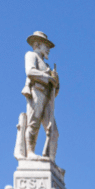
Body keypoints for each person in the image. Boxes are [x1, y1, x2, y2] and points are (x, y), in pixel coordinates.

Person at [16, 31, 59, 160]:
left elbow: (55, 91)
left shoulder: (47, 66)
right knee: (33, 122)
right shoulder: (31, 55)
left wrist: (56, 82)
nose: (48, 49)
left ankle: (50, 158)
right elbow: (30, 71)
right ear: (38, 44)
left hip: (47, 96)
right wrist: (47, 77)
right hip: (36, 92)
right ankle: (30, 152)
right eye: (46, 46)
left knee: (53, 131)